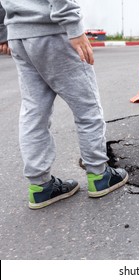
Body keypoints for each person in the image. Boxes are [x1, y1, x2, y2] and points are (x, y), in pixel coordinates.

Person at [0, 0, 128, 209]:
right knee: (87, 107)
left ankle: (40, 187)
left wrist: (4, 30)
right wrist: (74, 27)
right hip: (51, 30)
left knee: (34, 111)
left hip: (19, 35)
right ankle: (99, 175)